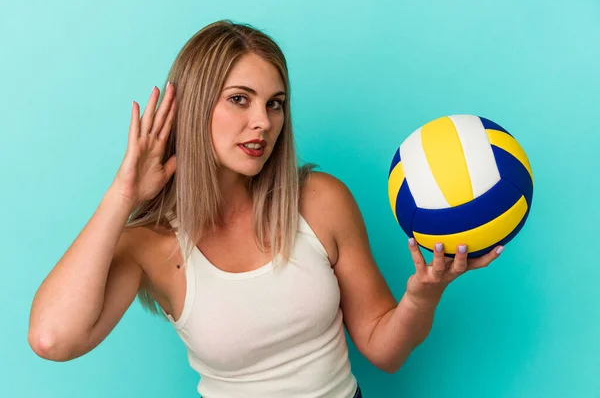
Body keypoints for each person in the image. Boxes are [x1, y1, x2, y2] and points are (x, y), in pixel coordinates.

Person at [27, 20, 503, 398]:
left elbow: (385, 351)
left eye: (275, 104)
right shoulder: (150, 246)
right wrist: (123, 195)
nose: (263, 122)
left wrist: (423, 296)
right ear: (193, 109)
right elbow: (52, 339)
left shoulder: (320, 200)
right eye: (240, 100)